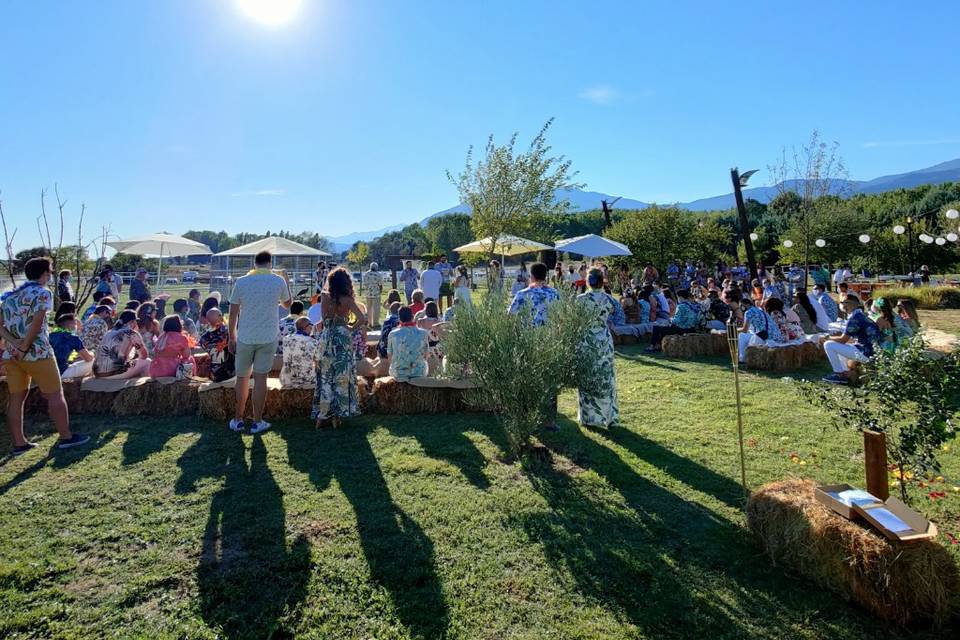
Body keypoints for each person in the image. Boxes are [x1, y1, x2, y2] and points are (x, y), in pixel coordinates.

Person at [0, 257, 90, 454]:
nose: (51, 275)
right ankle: (66, 436)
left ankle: (19, 443)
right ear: (44, 274)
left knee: (16, 397)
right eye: (50, 272)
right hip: (38, 353)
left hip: (11, 354)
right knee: (55, 394)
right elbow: (38, 322)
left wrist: (15, 343)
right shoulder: (42, 293)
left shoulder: (8, 296)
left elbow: (1, 326)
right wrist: (24, 345)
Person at [228, 250, 292, 434]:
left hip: (245, 336)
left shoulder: (242, 282)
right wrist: (285, 279)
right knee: (261, 378)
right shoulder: (277, 281)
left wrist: (231, 337)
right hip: (268, 336)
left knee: (242, 378)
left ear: (254, 263)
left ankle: (238, 419)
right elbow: (288, 305)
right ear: (270, 263)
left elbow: (233, 313)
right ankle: (257, 421)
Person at [508, 262, 561, 430]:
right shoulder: (555, 294)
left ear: (531, 276)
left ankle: (527, 417)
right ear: (545, 276)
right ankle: (549, 421)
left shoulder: (522, 294)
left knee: (526, 377)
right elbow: (562, 317)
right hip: (549, 341)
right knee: (549, 380)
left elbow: (509, 316)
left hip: (527, 341)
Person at [313, 268, 366, 426]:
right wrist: (350, 328)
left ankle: (323, 415)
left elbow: (323, 318)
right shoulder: (348, 300)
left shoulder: (324, 296)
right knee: (342, 376)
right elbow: (362, 318)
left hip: (328, 336)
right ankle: (339, 415)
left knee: (325, 376)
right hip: (343, 336)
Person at [576, 268, 619, 427]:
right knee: (605, 377)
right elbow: (616, 314)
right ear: (602, 281)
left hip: (587, 340)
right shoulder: (609, 299)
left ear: (588, 281)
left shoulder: (580, 299)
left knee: (587, 376)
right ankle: (607, 417)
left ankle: (588, 418)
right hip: (604, 341)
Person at [822, 295, 883, 384]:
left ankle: (839, 374)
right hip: (873, 352)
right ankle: (847, 374)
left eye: (847, 303)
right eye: (842, 303)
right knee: (839, 346)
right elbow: (850, 340)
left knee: (828, 344)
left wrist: (828, 337)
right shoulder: (862, 316)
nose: (844, 305)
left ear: (856, 304)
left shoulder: (854, 318)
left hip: (866, 353)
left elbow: (843, 339)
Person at [93, 310, 151, 379]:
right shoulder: (131, 333)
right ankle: (145, 386)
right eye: (136, 321)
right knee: (147, 361)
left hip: (98, 374)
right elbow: (144, 355)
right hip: (114, 374)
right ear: (132, 322)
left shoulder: (109, 332)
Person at [736, 298, 783, 364]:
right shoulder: (760, 310)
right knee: (749, 336)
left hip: (766, 337)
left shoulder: (748, 312)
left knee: (742, 335)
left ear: (747, 304)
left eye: (741, 305)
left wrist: (734, 329)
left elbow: (744, 330)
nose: (741, 308)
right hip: (776, 338)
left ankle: (742, 359)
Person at [387, 305, 429, 381]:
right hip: (419, 372)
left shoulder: (392, 334)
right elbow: (426, 355)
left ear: (399, 319)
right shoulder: (424, 333)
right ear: (412, 317)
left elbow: (390, 356)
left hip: (398, 373)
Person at [50, 314, 94, 379]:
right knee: (93, 361)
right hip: (62, 372)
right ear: (70, 325)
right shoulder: (73, 338)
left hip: (47, 370)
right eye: (75, 323)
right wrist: (92, 353)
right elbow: (88, 358)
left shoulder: (50, 335)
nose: (77, 326)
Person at [280, 317, 319, 388]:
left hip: (286, 380)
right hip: (307, 380)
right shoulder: (313, 342)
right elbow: (317, 361)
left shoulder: (286, 339)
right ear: (307, 327)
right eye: (311, 326)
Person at [199, 308, 235, 382]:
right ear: (221, 317)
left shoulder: (204, 338)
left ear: (208, 321)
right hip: (232, 371)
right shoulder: (230, 333)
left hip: (215, 373)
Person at [416, 300, 444, 376]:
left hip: (424, 348)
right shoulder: (438, 321)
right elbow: (441, 337)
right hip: (436, 348)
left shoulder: (420, 321)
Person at [362, 262, 383, 328]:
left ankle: (369, 322)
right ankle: (375, 322)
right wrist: (380, 291)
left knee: (369, 308)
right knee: (376, 308)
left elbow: (364, 283)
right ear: (376, 267)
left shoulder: (366, 274)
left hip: (368, 293)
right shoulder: (378, 274)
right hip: (376, 293)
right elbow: (380, 284)